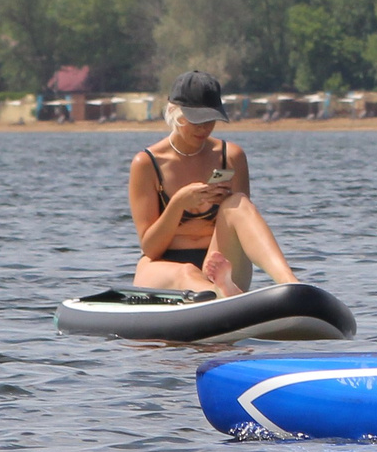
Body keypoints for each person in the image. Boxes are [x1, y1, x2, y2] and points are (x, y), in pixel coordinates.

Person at [127, 69, 298, 296]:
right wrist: (178, 203)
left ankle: (291, 284)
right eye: (196, 120)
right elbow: (151, 248)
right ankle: (220, 294)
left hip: (218, 261)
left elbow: (243, 229)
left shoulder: (231, 156)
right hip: (162, 265)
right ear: (174, 112)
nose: (204, 128)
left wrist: (224, 202)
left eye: (210, 120)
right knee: (186, 271)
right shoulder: (146, 163)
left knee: (238, 203)